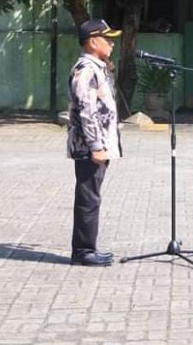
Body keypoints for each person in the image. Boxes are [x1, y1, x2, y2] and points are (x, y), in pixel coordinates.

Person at [67, 19, 122, 266]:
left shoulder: (97, 67)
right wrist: (96, 146)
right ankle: (83, 251)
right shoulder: (86, 69)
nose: (111, 43)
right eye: (106, 38)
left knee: (92, 196)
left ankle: (88, 247)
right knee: (88, 198)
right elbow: (86, 110)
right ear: (92, 42)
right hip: (90, 147)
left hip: (97, 145)